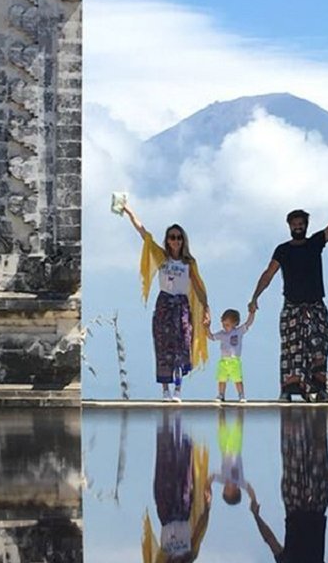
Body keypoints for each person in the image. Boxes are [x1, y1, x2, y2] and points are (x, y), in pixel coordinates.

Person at [248, 188, 328, 401]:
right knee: (291, 351)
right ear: (289, 226)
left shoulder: (315, 243)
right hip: (292, 307)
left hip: (316, 306)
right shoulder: (283, 250)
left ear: (306, 226)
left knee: (319, 348)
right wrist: (255, 297)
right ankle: (287, 390)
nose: (298, 227)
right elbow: (268, 273)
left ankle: (320, 390)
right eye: (294, 224)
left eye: (301, 224)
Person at [123, 203, 210, 402]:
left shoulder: (189, 263)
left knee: (182, 345)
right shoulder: (161, 257)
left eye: (179, 237)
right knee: (163, 347)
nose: (176, 241)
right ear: (167, 240)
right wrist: (128, 211)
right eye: (172, 237)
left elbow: (199, 288)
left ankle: (178, 389)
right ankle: (165, 390)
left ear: (183, 240)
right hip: (164, 304)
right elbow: (144, 233)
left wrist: (206, 309)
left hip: (181, 306)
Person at [246, 407, 328, 562]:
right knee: (304, 456)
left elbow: (270, 540)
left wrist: (256, 516)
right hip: (305, 507)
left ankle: (298, 415)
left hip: (306, 508)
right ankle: (307, 414)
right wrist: (256, 516)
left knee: (309, 455)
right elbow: (270, 540)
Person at [142, 411, 213, 563]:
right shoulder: (190, 556)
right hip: (182, 511)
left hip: (165, 513)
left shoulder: (163, 561)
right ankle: (182, 424)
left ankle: (165, 420)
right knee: (183, 467)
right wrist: (207, 508)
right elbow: (199, 529)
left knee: (163, 463)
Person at [207, 307, 254, 403]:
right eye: (223, 324)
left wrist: (252, 313)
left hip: (234, 360)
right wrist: (207, 327)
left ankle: (241, 395)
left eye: (227, 325)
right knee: (221, 379)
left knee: (237, 379)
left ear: (235, 323)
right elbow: (211, 337)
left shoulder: (238, 331)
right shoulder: (222, 334)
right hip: (224, 361)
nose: (225, 327)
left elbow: (248, 323)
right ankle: (221, 395)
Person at [210, 407, 249, 507]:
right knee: (237, 427)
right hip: (235, 449)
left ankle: (221, 408)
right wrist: (253, 500)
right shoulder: (240, 481)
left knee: (221, 427)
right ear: (236, 490)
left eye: (224, 489)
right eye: (228, 489)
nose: (225, 487)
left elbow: (212, 477)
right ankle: (241, 410)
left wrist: (207, 488)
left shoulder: (223, 479)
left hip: (224, 450)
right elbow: (250, 490)